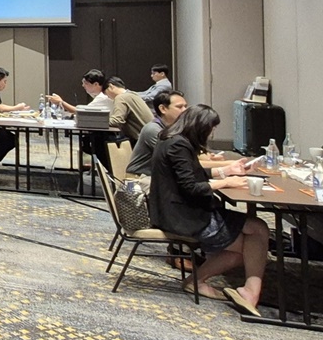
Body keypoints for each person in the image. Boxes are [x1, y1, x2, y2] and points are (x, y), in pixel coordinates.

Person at [148, 104, 269, 313]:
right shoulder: (178, 145)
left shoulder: (171, 140)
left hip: (175, 211)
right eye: (211, 128)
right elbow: (191, 187)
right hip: (182, 216)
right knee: (256, 236)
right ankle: (249, 292)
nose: (211, 133)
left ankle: (209, 283)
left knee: (254, 237)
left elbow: (192, 173)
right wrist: (226, 182)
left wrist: (226, 171)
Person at [127, 90, 187, 177]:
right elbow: (177, 157)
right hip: (141, 178)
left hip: (160, 177)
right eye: (179, 107)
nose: (185, 110)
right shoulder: (153, 129)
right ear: (163, 109)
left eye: (185, 106)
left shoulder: (176, 128)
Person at [105, 76, 154, 143]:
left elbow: (117, 121)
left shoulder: (121, 98)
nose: (108, 97)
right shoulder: (133, 94)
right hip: (150, 137)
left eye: (106, 93)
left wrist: (98, 122)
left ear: (111, 86)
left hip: (141, 140)